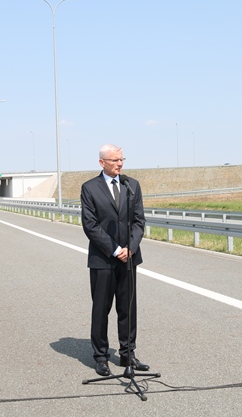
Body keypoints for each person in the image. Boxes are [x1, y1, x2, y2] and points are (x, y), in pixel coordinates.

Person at [80, 144, 149, 376]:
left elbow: (139, 220)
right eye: (115, 160)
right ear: (102, 162)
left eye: (121, 159)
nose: (120, 164)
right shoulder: (90, 188)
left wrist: (130, 247)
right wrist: (115, 249)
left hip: (129, 258)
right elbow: (90, 225)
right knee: (101, 309)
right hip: (103, 259)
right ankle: (101, 357)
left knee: (127, 308)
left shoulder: (132, 185)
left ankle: (128, 354)